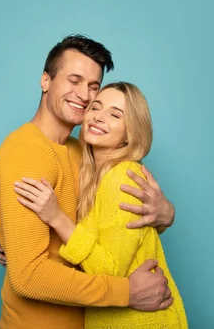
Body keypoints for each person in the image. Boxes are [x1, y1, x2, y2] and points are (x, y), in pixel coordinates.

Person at [0, 35, 176, 329]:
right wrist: (128, 292)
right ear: (45, 81)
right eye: (74, 80)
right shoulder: (28, 153)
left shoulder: (82, 153)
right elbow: (29, 277)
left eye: (93, 86)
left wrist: (165, 215)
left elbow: (108, 224)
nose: (84, 96)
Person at [14, 82, 188, 328]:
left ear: (131, 133)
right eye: (95, 107)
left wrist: (55, 217)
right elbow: (98, 242)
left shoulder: (121, 178)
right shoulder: (93, 177)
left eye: (115, 114)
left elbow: (110, 273)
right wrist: (24, 241)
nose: (98, 117)